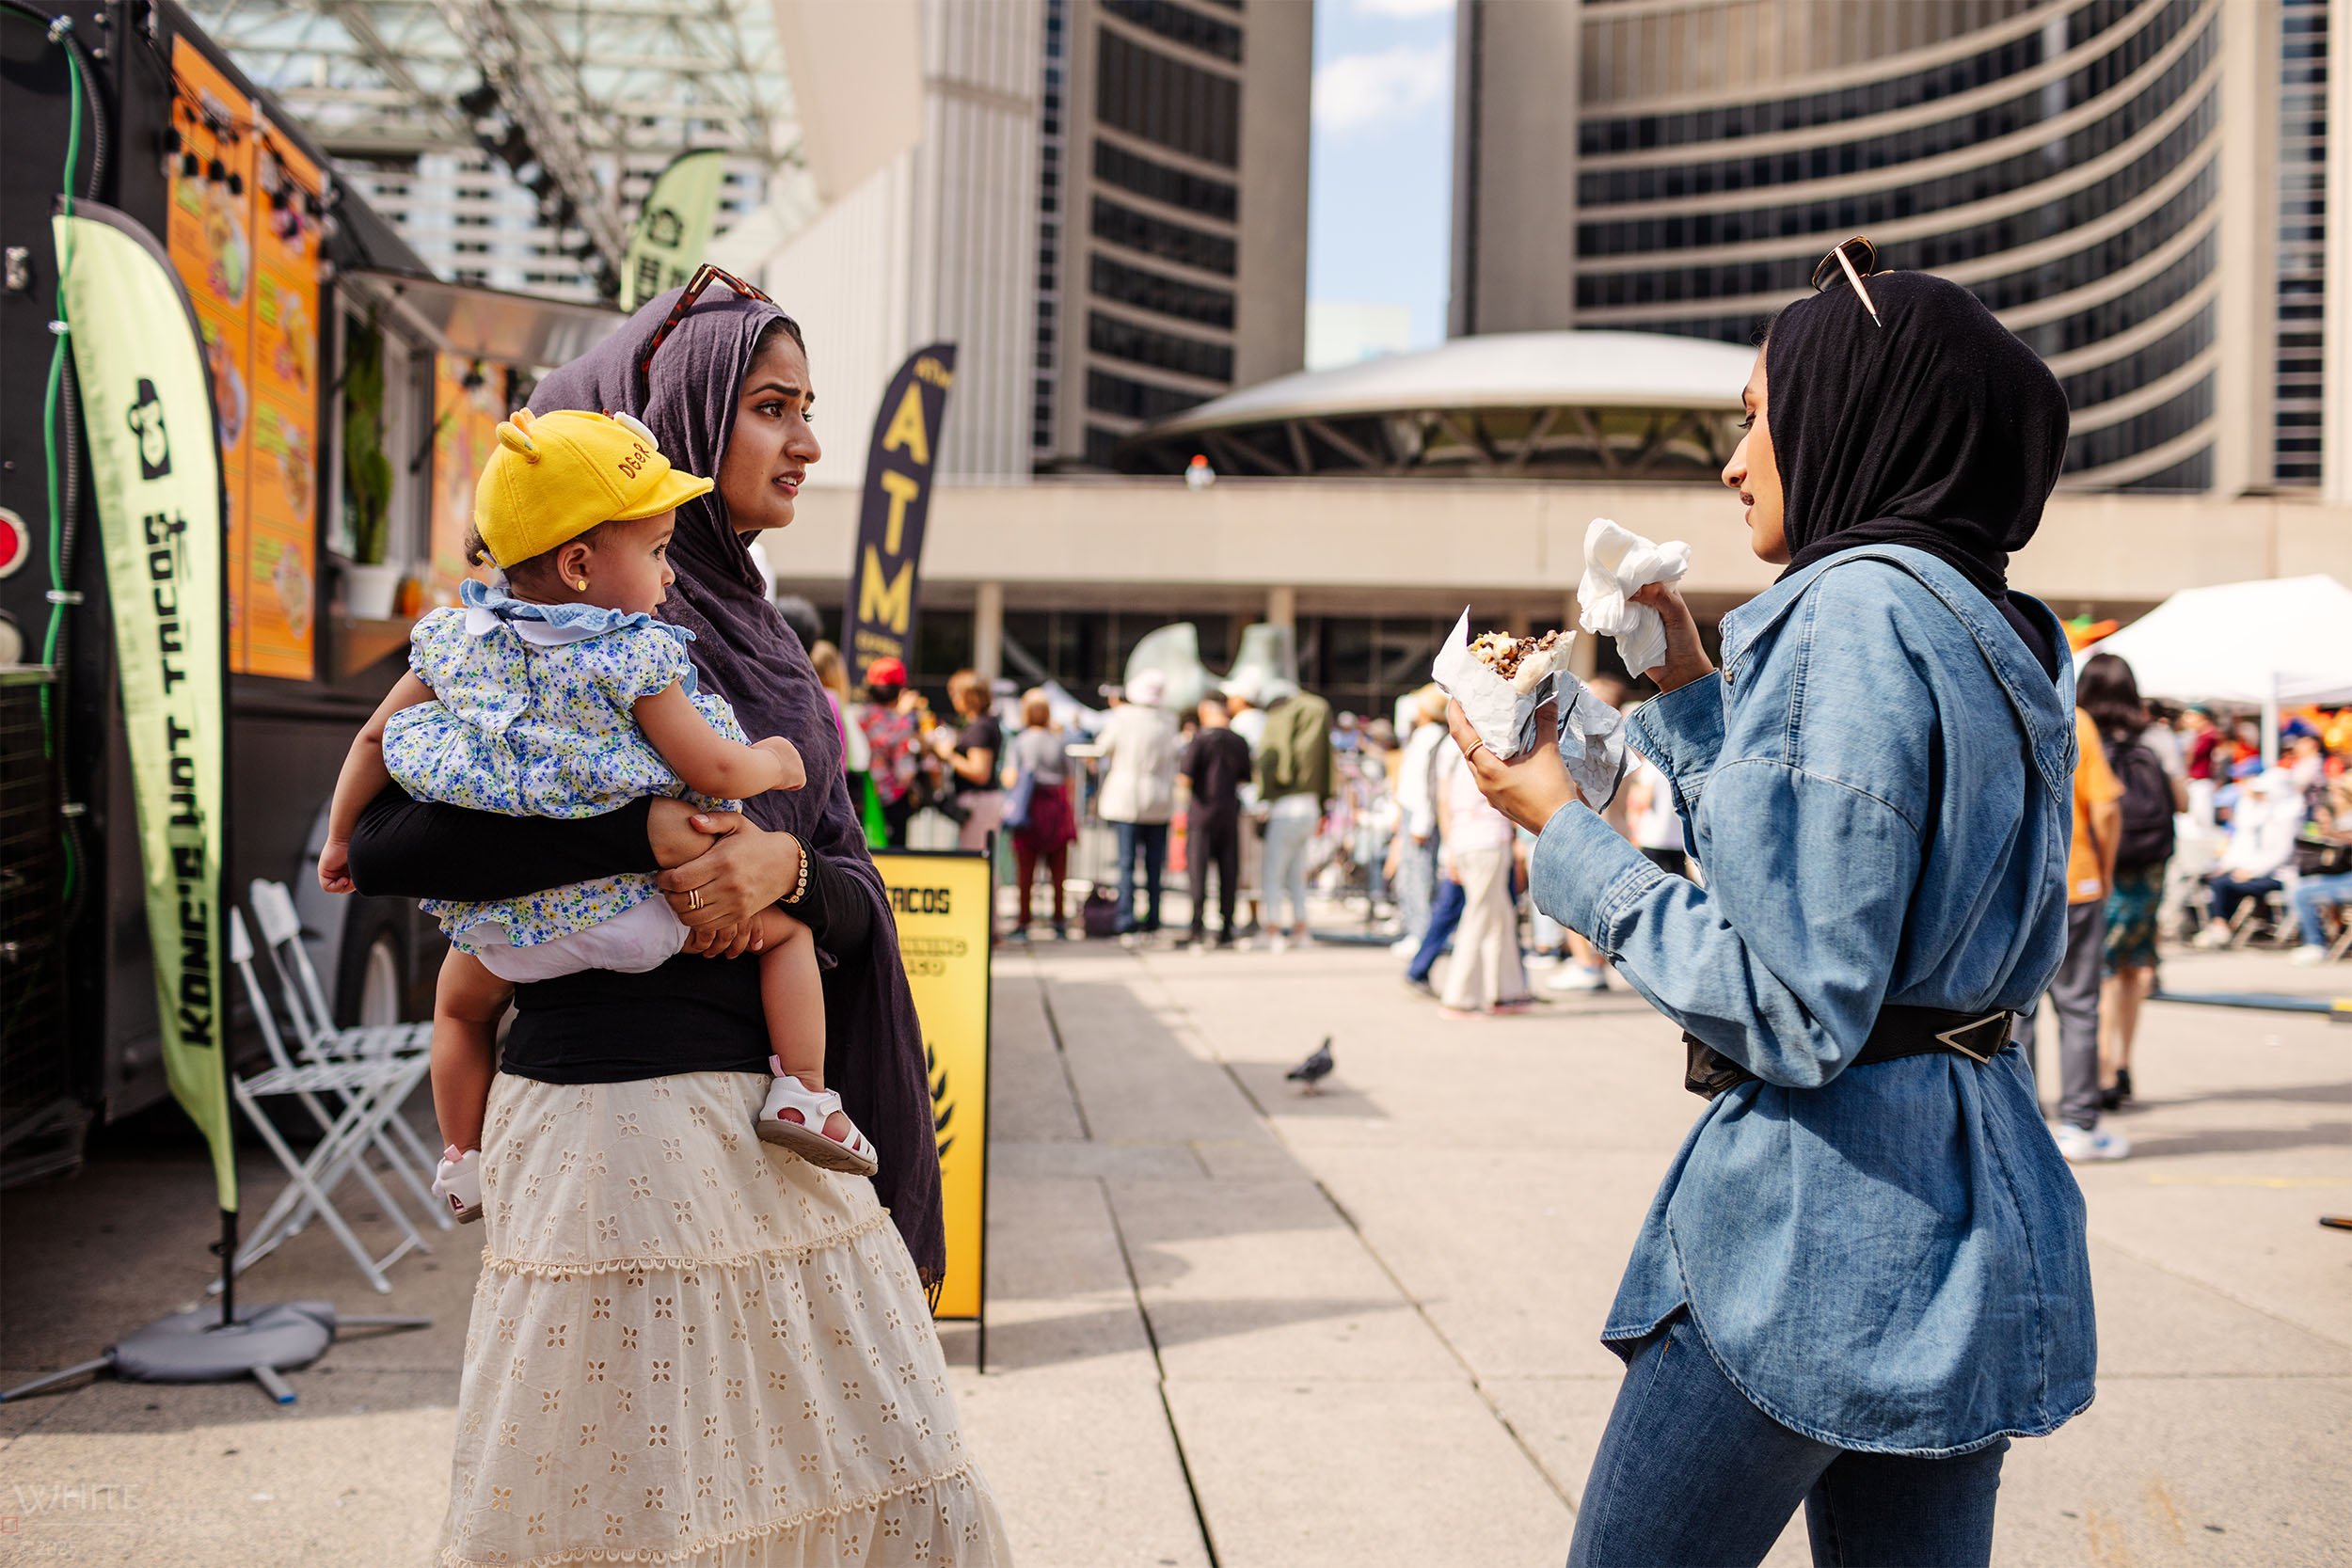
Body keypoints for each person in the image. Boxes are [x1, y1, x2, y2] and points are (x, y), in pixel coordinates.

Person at [342, 280, 1007, 1565]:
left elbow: (844, 885)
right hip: (609, 1133)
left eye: (807, 408)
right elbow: (384, 844)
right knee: (639, 1502)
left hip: (770, 1126)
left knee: (841, 1477)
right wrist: (636, 831)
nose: (806, 441)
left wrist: (784, 872)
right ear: (680, 421)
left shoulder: (755, 634)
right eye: (770, 408)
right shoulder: (557, 625)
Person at [1451, 268, 2092, 1565]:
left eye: (1760, 415)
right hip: (1970, 1201)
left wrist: (1560, 830)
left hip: (1816, 1221)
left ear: (1855, 413)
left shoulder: (1846, 609)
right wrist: (1690, 689)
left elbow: (1794, 1004)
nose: (1735, 463)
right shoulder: (1998, 624)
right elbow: (1836, 872)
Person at [320, 410, 876, 1212]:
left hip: (510, 933)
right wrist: (778, 762)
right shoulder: (628, 652)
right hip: (642, 913)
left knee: (456, 1006)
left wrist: (339, 837)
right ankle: (806, 1093)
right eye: (657, 552)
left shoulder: (458, 641)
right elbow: (712, 765)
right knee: (785, 933)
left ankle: (461, 1157)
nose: (669, 575)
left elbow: (375, 738)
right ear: (579, 564)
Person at [2015, 700, 2127, 1162]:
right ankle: (2079, 1123)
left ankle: (2021, 1120)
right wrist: (2106, 870)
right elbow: (2105, 808)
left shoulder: (1994, 699)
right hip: (2074, 879)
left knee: (2016, 1009)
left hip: (2014, 883)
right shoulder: (2072, 716)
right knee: (2079, 1006)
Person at [2078, 652, 2184, 1111]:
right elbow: (2181, 801)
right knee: (2136, 965)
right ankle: (2123, 1063)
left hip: (2100, 861)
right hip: (2149, 865)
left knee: (2101, 965)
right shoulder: (2156, 738)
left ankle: (2101, 1069)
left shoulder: (2079, 730)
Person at [1433, 736, 1532, 1017]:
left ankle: (1505, 991)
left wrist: (1450, 846)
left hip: (1468, 838)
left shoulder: (1451, 746)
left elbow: (1443, 799)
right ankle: (1460, 996)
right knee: (1481, 915)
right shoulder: (1491, 741)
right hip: (1487, 838)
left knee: (1499, 915)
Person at [1096, 670, 1183, 941]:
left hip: (1127, 797)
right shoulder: (1169, 720)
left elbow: (1102, 746)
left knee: (1126, 863)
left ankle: (1125, 918)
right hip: (1159, 798)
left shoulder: (1123, 717)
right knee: (1155, 865)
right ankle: (1153, 918)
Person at [1255, 678, 1334, 951]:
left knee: (1273, 874)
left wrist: (1265, 791)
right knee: (1297, 874)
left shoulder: (1283, 714)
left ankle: (1272, 929)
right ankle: (1301, 928)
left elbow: (1275, 761)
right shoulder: (1317, 711)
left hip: (1285, 806)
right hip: (1310, 805)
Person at [1179, 691, 1252, 948]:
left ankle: (1197, 928)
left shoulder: (1199, 739)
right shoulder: (1239, 741)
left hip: (1201, 812)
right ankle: (1227, 928)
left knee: (1198, 871)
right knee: (1228, 870)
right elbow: (1245, 777)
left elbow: (1185, 777)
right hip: (1229, 810)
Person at [2195, 768, 2298, 944]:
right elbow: (2247, 847)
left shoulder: (2286, 818)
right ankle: (2220, 925)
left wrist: (2252, 872)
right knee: (2219, 880)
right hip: (2259, 871)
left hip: (2279, 876)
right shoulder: (2266, 815)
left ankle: (2221, 926)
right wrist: (2232, 867)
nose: (2261, 796)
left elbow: (2281, 855)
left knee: (2223, 884)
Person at [1008, 687, 1078, 939]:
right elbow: (1070, 779)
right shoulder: (1058, 740)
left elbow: (1010, 777)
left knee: (1026, 870)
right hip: (1056, 807)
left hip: (1030, 806)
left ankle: (1024, 921)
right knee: (1058, 871)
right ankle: (1059, 920)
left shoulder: (1020, 741)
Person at [1387, 686, 1450, 955]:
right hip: (1412, 812)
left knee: (1418, 877)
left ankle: (1421, 934)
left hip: (1419, 816)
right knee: (1413, 875)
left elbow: (1426, 784)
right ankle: (1418, 931)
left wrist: (1421, 822)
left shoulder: (1430, 738)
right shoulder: (1425, 736)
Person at [930, 668, 1005, 853]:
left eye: (956, 694)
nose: (953, 700)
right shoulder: (981, 724)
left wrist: (948, 755)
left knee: (976, 859)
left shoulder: (980, 727)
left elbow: (979, 772)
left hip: (979, 803)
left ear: (969, 696)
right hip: (980, 802)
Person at [859, 656, 924, 848]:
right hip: (893, 799)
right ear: (901, 690)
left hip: (863, 795)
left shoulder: (860, 716)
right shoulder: (901, 722)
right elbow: (904, 772)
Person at [2290, 774, 2352, 963]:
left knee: (2302, 893)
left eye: (2337, 794)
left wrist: (2334, 834)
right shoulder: (2339, 817)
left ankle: (2315, 944)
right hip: (2343, 875)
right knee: (2301, 885)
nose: (2333, 798)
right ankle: (2324, 937)